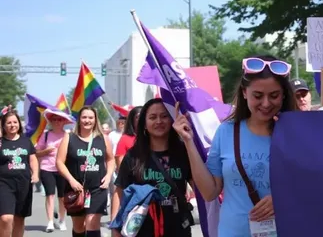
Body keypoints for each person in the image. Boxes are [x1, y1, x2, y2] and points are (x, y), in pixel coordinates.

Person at [173, 55, 299, 237]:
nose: (266, 103)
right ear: (244, 92)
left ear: (284, 95)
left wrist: (281, 199)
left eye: (274, 95)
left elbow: (313, 186)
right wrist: (188, 142)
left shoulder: (296, 133)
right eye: (258, 95)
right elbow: (210, 192)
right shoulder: (226, 132)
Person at [112, 98, 194, 237]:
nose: (159, 121)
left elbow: (201, 189)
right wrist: (116, 227)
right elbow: (120, 192)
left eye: (164, 116)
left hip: (178, 228)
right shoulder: (133, 155)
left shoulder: (185, 152)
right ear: (144, 124)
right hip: (141, 228)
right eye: (152, 117)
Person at [56, 106, 115, 237]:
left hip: (98, 188)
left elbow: (111, 159)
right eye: (84, 117)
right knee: (78, 226)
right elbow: (59, 162)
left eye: (90, 117)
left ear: (95, 120)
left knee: (92, 223)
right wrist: (71, 180)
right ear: (79, 120)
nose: (87, 120)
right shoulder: (69, 137)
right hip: (76, 190)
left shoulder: (103, 138)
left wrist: (109, 175)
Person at [0, 109, 39, 237]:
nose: (12, 125)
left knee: (19, 219)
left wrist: (35, 174)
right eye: (9, 123)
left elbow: (33, 159)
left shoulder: (26, 141)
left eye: (15, 122)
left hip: (24, 184)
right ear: (4, 126)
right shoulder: (1, 142)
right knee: (6, 218)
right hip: (4, 184)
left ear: (19, 124)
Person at [36, 110, 75, 232]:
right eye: (54, 119)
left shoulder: (68, 135)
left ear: (64, 122)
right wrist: (46, 151)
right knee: (50, 195)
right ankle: (50, 222)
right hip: (47, 168)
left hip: (63, 169)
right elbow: (36, 153)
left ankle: (62, 220)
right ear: (50, 122)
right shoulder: (45, 135)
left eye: (59, 119)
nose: (57, 122)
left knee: (62, 197)